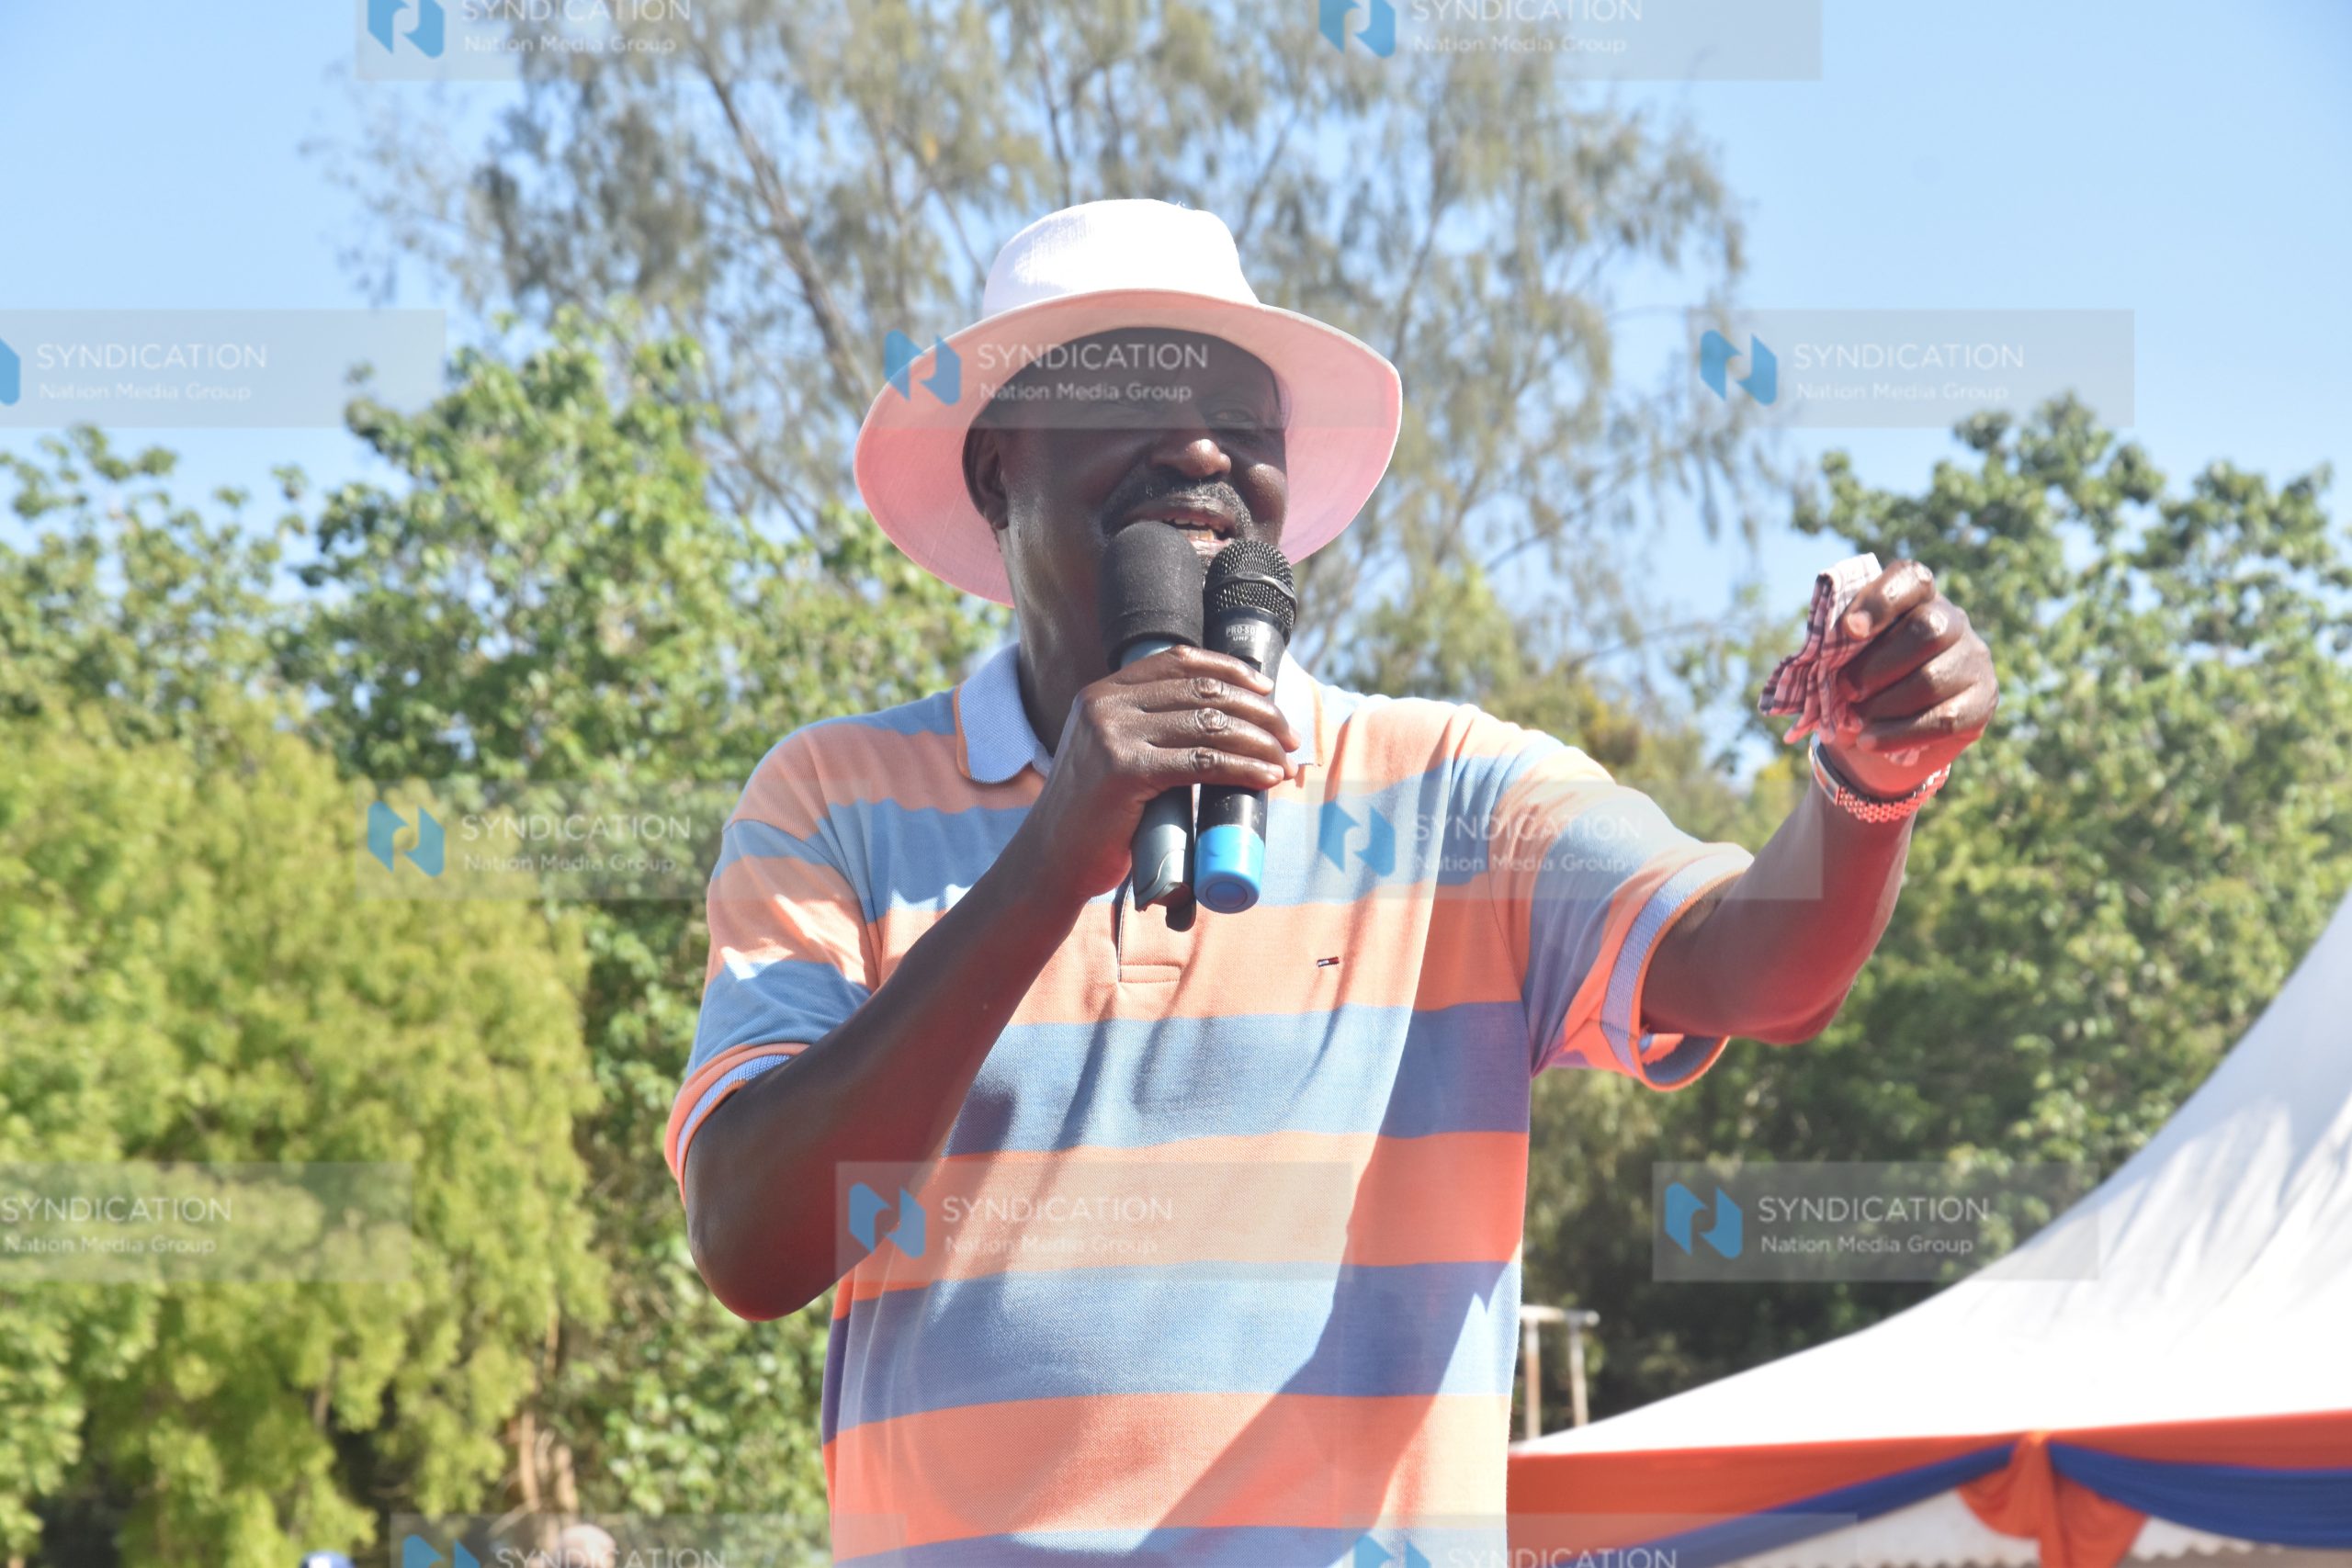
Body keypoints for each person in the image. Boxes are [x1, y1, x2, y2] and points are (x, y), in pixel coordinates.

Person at [665, 199, 1997, 1564]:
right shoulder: (833, 798)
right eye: (1142, 399)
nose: (1203, 450)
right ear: (1000, 464)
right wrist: (1048, 864)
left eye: (1249, 426)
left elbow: (1762, 971)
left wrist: (1871, 782)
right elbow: (752, 1236)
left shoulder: (1449, 792)